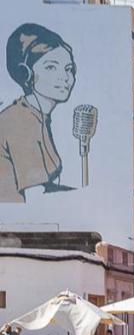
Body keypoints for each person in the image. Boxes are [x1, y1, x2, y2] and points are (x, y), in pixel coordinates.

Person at [0, 23, 77, 202]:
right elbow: (36, 195)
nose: (65, 78)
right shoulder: (19, 121)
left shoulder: (39, 117)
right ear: (25, 74)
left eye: (69, 69)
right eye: (51, 67)